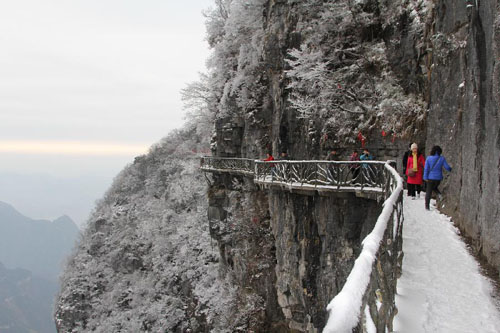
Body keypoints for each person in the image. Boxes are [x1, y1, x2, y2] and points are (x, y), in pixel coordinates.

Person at [423, 145, 452, 210]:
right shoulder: (442, 158)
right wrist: (451, 169)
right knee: (434, 187)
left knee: (428, 192)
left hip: (430, 178)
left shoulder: (428, 158)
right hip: (438, 178)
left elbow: (426, 169)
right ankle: (439, 194)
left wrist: (425, 177)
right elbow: (447, 167)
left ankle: (427, 207)